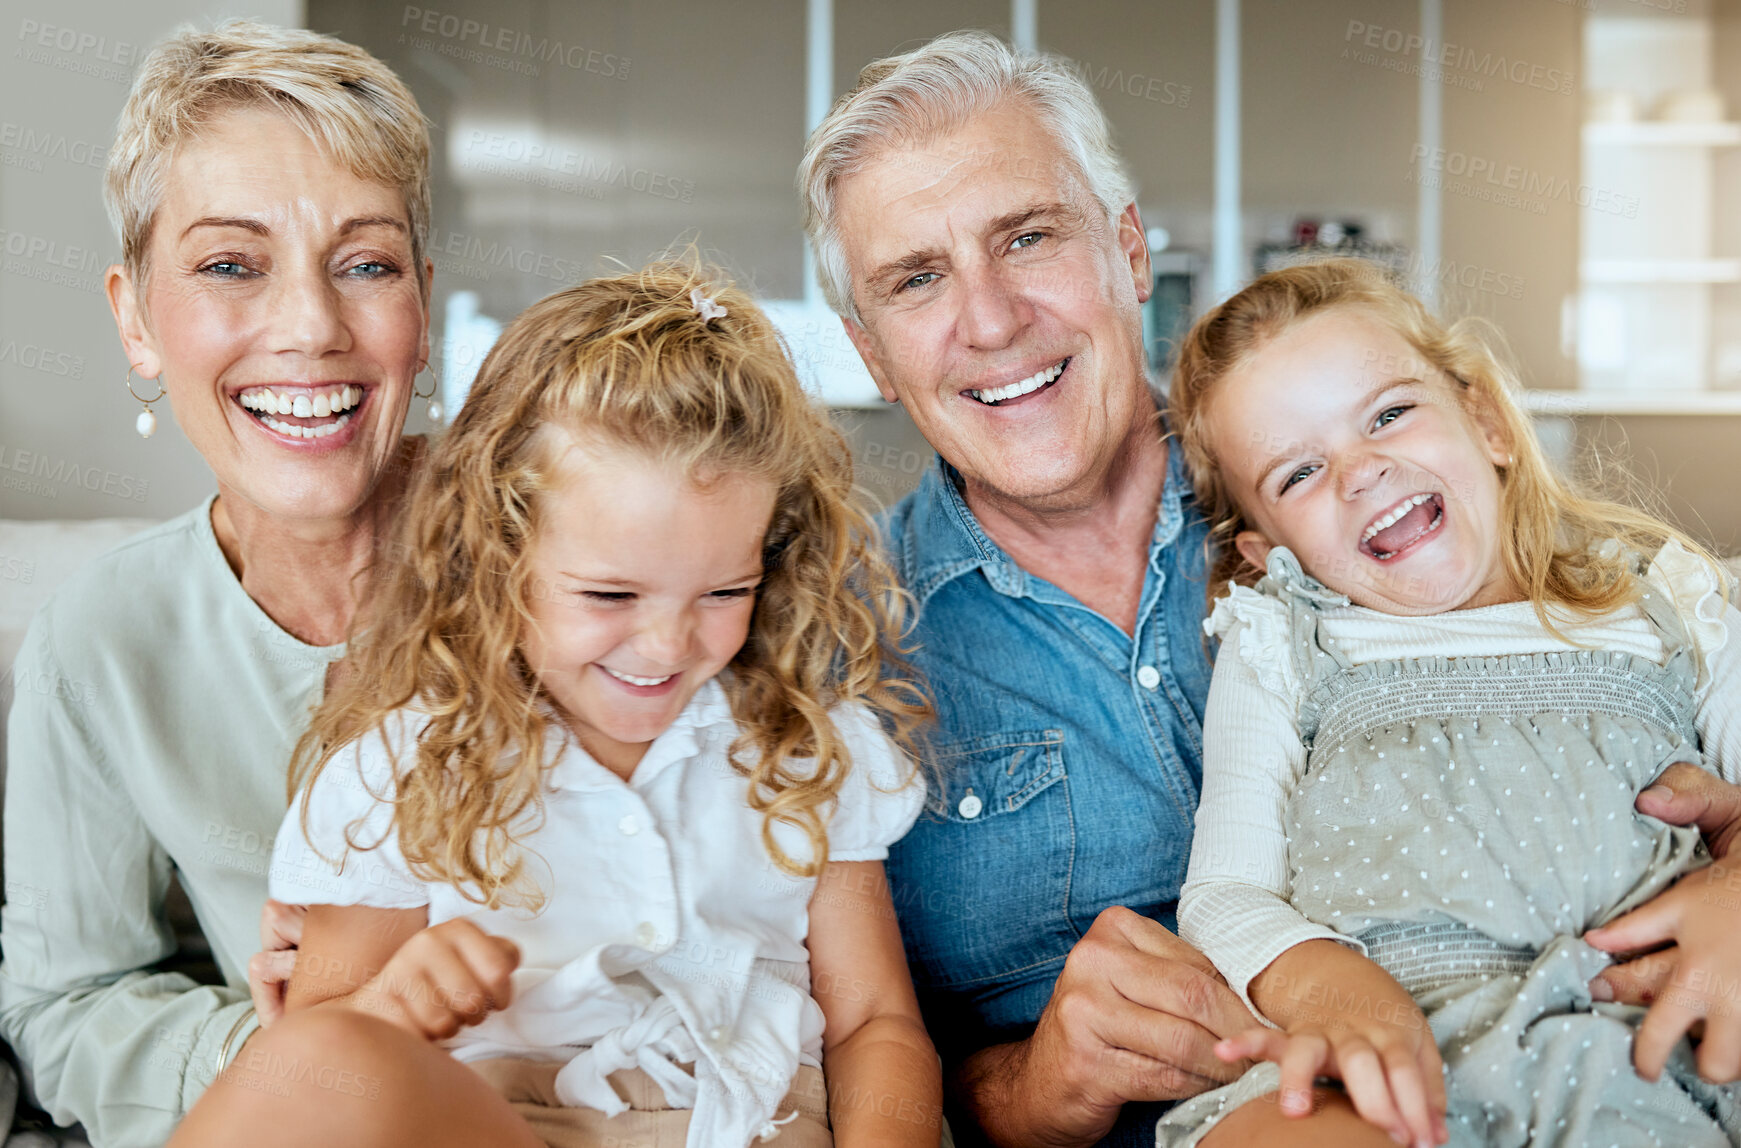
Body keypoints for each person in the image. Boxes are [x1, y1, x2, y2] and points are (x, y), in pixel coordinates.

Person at [799, 29, 1741, 1148]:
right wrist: (1033, 1087)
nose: (993, 318)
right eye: (918, 278)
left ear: (1129, 253)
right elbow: (855, 1041)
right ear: (869, 353)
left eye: (1028, 236)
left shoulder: (1369, 513)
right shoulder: (838, 647)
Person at [166, 265, 943, 1148]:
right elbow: (319, 1058)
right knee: (312, 1069)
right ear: (499, 553)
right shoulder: (400, 770)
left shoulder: (808, 750)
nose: (666, 646)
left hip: (758, 1122)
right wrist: (390, 1004)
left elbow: (875, 1025)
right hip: (502, 1125)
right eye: (610, 597)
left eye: (724, 592)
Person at [1152, 258, 1741, 1148]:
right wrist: (1327, 989)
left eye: (1389, 414)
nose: (1361, 471)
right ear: (1263, 551)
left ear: (1488, 421)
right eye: (1298, 473)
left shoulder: (1670, 606)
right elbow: (1225, 893)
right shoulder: (1281, 644)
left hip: (1646, 1039)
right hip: (1377, 1069)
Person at [0, 20, 435, 1148]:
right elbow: (66, 1002)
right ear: (136, 318)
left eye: (367, 263)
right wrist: (300, 1059)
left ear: (421, 308)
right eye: (231, 265)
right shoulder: (97, 643)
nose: (309, 327)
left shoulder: (589, 571)